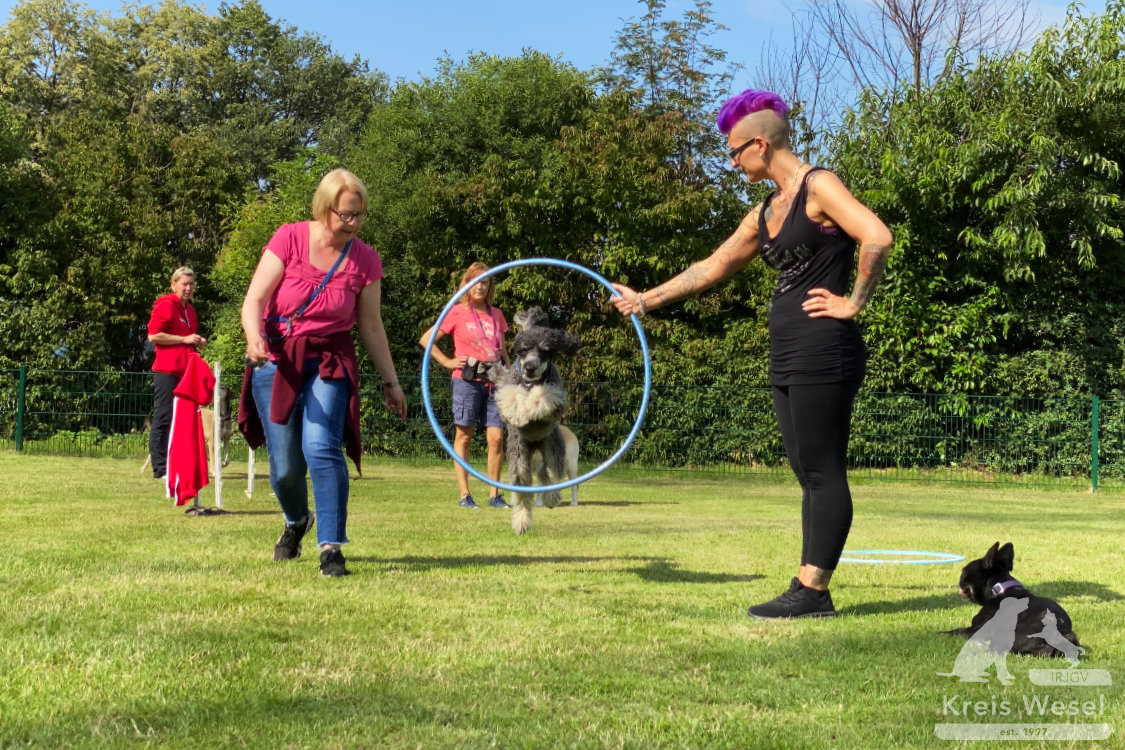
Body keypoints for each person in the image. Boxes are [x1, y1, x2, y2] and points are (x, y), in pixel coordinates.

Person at [611, 89, 893, 619]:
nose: (732, 161)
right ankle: (811, 587)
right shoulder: (764, 212)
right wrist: (643, 301)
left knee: (822, 468)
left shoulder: (819, 185)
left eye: (734, 151)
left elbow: (876, 235)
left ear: (760, 144)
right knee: (804, 468)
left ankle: (812, 590)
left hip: (823, 347)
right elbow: (711, 267)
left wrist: (854, 303)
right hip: (788, 349)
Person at [238, 168, 407, 577]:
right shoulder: (290, 237)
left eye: (360, 215)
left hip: (330, 359)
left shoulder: (365, 260)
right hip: (277, 358)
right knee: (286, 468)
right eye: (346, 214)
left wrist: (391, 382)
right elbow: (255, 299)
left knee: (321, 446)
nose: (353, 223)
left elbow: (370, 326)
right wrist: (253, 337)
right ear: (324, 207)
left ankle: (331, 547)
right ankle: (297, 520)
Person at [418, 262, 511, 510]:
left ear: (490, 286)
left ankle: (495, 495)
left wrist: (510, 374)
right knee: (465, 436)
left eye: (485, 282)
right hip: (466, 381)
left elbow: (503, 350)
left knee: (497, 438)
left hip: (495, 382)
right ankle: (465, 494)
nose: (480, 286)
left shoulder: (497, 315)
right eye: (475, 281)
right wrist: (447, 361)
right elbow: (426, 339)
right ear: (467, 284)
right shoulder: (457, 312)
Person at [147, 266, 206, 481]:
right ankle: (160, 469)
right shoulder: (165, 305)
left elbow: (188, 338)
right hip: (167, 370)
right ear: (174, 285)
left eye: (191, 284)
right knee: (163, 416)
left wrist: (197, 341)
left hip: (186, 371)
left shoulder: (190, 310)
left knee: (183, 419)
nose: (188, 288)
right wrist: (184, 339)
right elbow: (153, 336)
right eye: (184, 283)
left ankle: (178, 463)